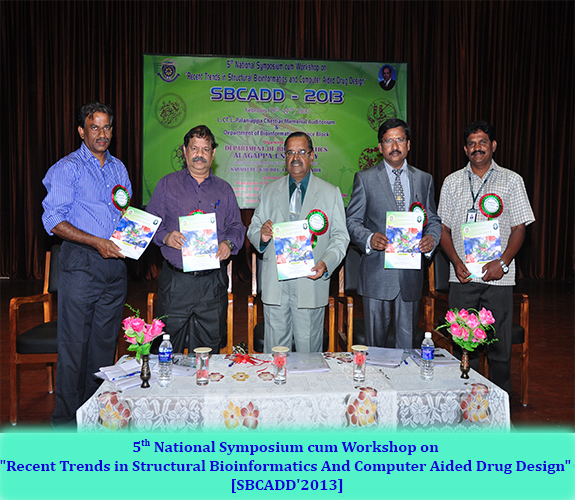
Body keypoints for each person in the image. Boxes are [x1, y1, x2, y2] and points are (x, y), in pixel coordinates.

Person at [42, 101, 132, 427]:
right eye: (94, 127)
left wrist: (136, 234)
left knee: (104, 349)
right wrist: (96, 242)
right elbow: (53, 221)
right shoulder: (67, 168)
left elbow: (124, 213)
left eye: (107, 127)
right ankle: (66, 424)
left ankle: (94, 419)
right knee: (74, 350)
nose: (101, 134)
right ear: (82, 131)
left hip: (114, 267)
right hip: (81, 263)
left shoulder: (119, 168)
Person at [438, 120, 535, 395]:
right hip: (463, 277)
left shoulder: (512, 180)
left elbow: (519, 228)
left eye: (482, 142)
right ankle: (465, 404)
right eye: (471, 143)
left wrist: (502, 263)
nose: (476, 148)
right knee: (464, 348)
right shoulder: (452, 182)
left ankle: (499, 408)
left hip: (498, 279)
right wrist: (456, 262)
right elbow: (443, 228)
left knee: (500, 350)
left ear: (493, 145)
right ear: (465, 149)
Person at [146, 125, 245, 354]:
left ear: (213, 153)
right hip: (176, 283)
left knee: (207, 354)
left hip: (212, 285)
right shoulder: (166, 184)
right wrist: (165, 236)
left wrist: (228, 243)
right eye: (194, 148)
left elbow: (237, 227)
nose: (199, 154)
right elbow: (149, 224)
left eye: (205, 149)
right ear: (185, 151)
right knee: (166, 352)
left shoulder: (224, 190)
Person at [247, 132, 349, 353]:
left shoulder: (330, 193)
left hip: (310, 282)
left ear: (312, 156)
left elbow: (341, 237)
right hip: (276, 285)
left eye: (302, 152)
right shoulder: (269, 190)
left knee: (308, 356)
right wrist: (262, 236)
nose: (295, 157)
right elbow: (253, 228)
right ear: (285, 157)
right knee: (276, 356)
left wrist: (325, 263)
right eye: (290, 152)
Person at [346, 118, 441, 349]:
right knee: (375, 349)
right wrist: (369, 238)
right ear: (380, 147)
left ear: (408, 144)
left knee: (407, 348)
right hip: (376, 275)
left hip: (410, 276)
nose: (395, 146)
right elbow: (352, 221)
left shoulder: (424, 179)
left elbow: (433, 220)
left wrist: (431, 239)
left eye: (400, 139)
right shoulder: (365, 179)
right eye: (388, 141)